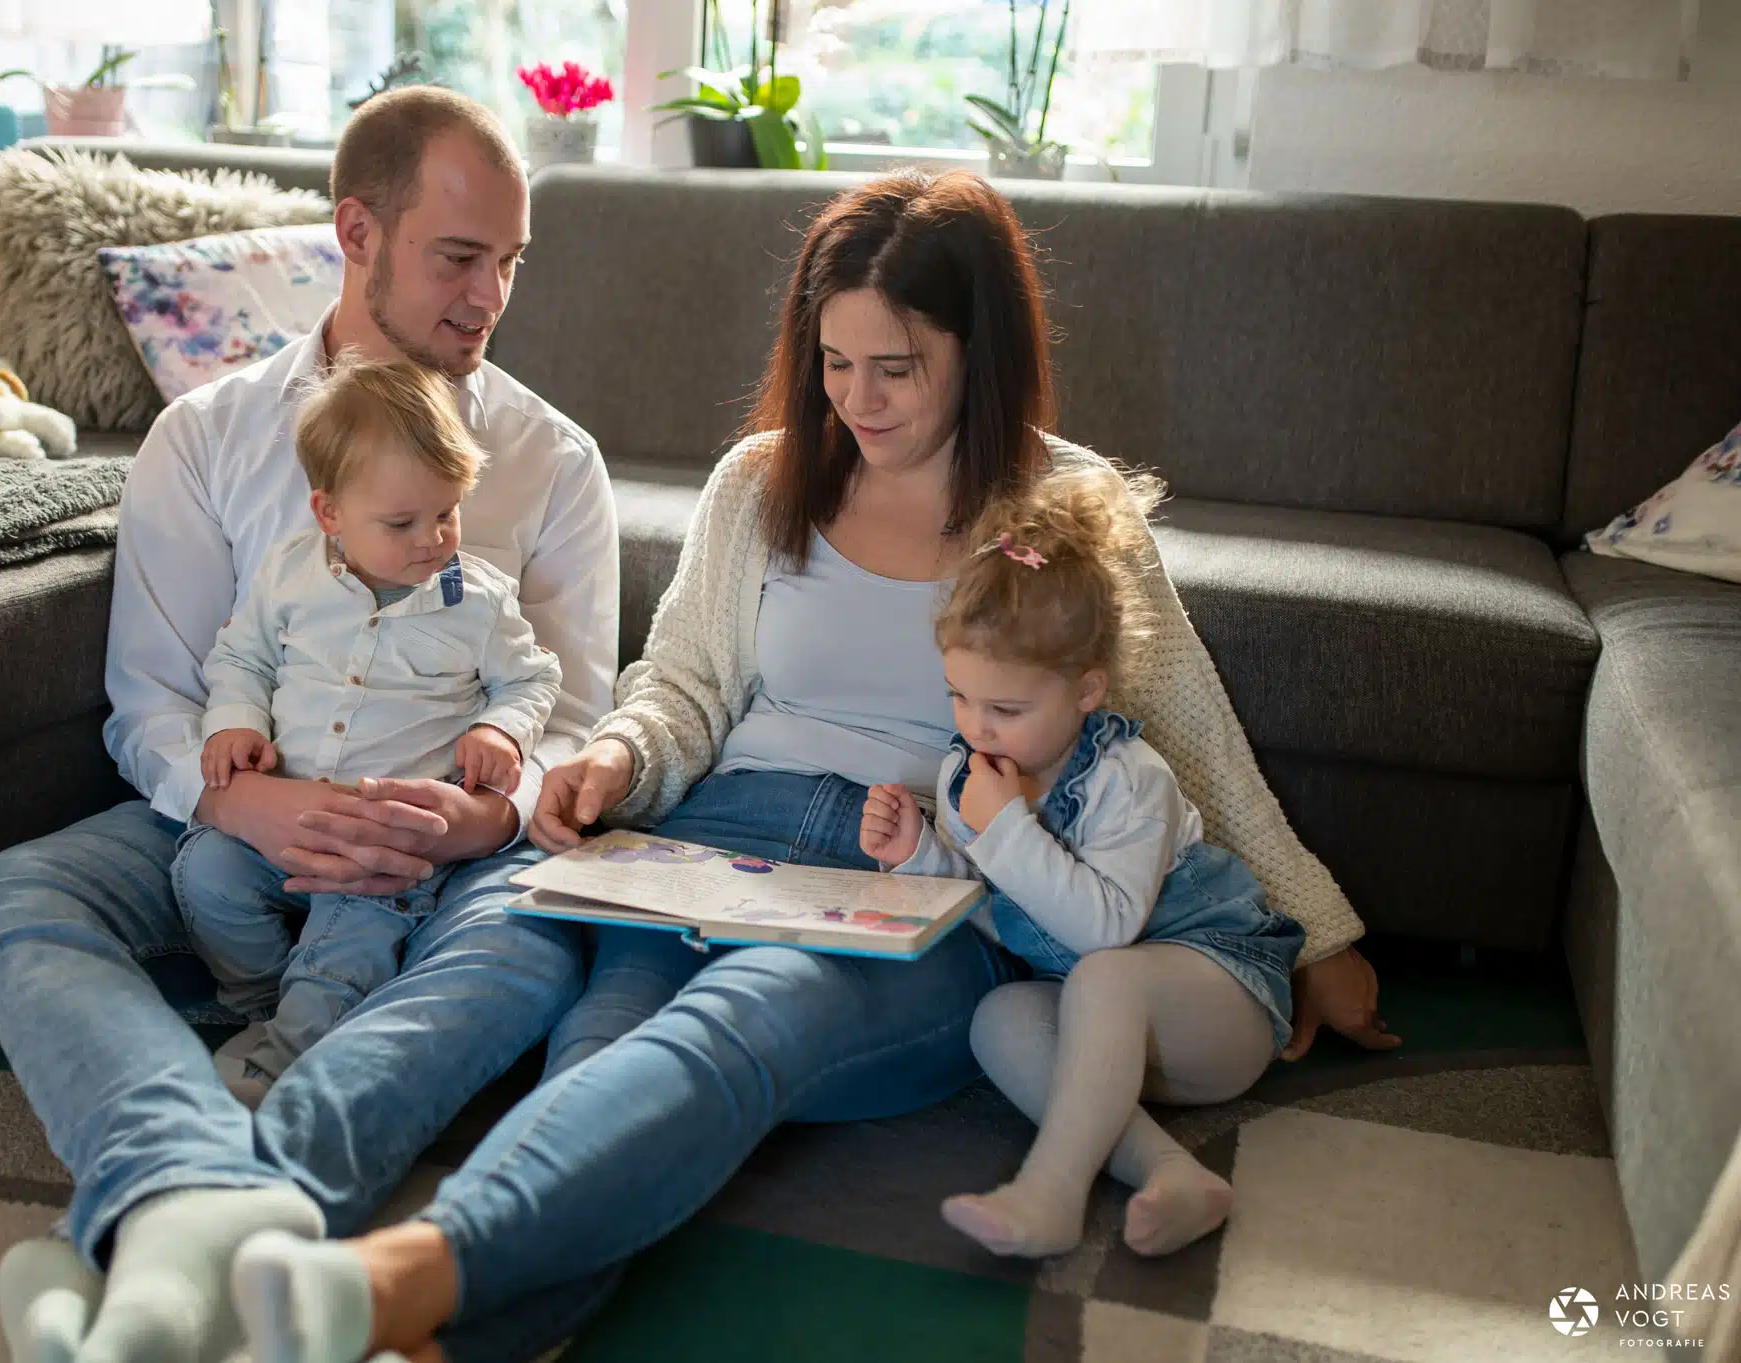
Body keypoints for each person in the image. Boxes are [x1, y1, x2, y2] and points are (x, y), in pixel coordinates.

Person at [222, 169, 1402, 1363]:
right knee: (593, 1045)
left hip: (913, 873)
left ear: (977, 348)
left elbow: (1183, 727)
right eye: (835, 363)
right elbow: (679, 679)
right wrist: (619, 759)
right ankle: (238, 1247)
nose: (860, 398)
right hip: (704, 836)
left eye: (896, 367)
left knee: (730, 1032)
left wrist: (1317, 931)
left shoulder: (1063, 504)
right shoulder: (761, 479)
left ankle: (397, 1283)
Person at [0, 86, 618, 1363]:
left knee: (543, 945)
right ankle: (198, 1182)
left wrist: (487, 814)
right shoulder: (207, 437)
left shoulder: (551, 459)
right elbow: (156, 694)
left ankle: (181, 1218)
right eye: (459, 258)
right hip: (230, 822)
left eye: (511, 263)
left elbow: (576, 710)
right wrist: (246, 801)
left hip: (444, 850)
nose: (489, 297)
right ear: (357, 231)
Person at [858, 468, 1303, 1259]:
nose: (976, 729)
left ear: (1086, 689)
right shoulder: (976, 783)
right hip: (1118, 1044)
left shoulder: (1130, 780)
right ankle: (1170, 1171)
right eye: (960, 697)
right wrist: (919, 852)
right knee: (997, 1018)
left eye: (1006, 709)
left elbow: (1105, 930)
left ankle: (1051, 1193)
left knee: (1100, 976)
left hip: (1221, 1003)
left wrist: (1004, 832)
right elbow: (995, 906)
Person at [179, 359, 562, 1106]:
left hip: (386, 841)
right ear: (330, 513)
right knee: (204, 876)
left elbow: (534, 677)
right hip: (279, 822)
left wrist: (502, 730)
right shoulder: (288, 575)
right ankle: (260, 1007)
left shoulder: (476, 602)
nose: (433, 539)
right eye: (402, 523)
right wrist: (234, 722)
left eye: (448, 513)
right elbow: (243, 658)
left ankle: (287, 1060)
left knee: (344, 950)